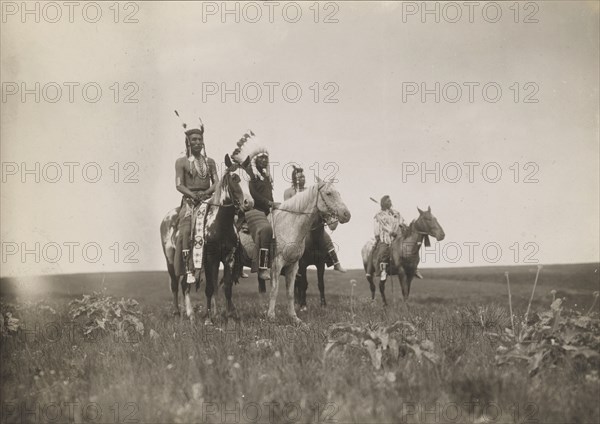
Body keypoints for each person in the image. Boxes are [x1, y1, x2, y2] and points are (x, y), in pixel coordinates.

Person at [174, 120, 218, 284]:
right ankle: (188, 268)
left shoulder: (210, 162)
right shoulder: (181, 162)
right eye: (194, 140)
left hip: (208, 200)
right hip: (190, 202)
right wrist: (193, 196)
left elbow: (217, 182)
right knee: (186, 231)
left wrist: (207, 192)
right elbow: (179, 185)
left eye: (200, 139)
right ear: (188, 142)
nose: (197, 142)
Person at [284, 166, 345, 272]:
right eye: (298, 177)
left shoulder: (309, 190)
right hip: (296, 222)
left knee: (325, 237)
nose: (301, 179)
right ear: (294, 178)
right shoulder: (288, 192)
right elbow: (288, 207)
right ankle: (288, 264)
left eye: (303, 177)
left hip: (311, 221)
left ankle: (335, 262)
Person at [373, 195, 423, 281]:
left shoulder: (396, 212)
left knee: (410, 248)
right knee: (384, 251)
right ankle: (383, 271)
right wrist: (391, 232)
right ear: (383, 203)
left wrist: (405, 226)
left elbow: (402, 221)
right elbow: (384, 225)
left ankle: (414, 268)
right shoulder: (379, 214)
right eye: (388, 201)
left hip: (398, 236)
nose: (390, 202)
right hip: (386, 237)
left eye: (390, 201)